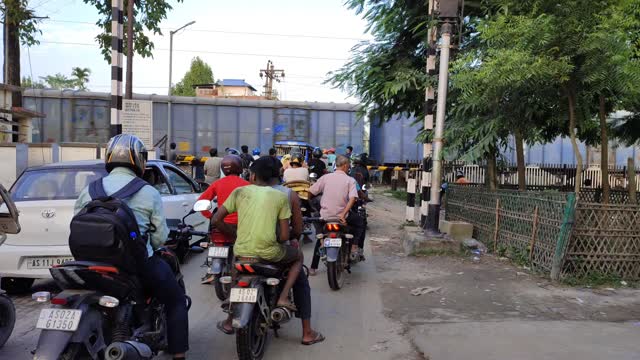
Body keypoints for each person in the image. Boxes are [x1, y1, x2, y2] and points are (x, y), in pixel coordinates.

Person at [74, 134, 188, 359]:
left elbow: (77, 220)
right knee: (175, 301)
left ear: (108, 157)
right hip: (135, 265)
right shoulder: (148, 192)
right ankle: (178, 355)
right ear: (139, 160)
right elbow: (159, 237)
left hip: (89, 264)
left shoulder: (90, 190)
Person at [213, 157, 325, 345]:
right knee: (299, 267)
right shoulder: (287, 195)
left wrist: (236, 234)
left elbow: (216, 220)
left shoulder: (240, 192)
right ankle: (305, 330)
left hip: (243, 251)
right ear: (279, 174)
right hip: (271, 251)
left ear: (253, 175)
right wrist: (290, 238)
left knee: (236, 269)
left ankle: (229, 319)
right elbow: (292, 232)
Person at [308, 155, 365, 276]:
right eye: (348, 165)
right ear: (345, 166)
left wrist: (314, 207)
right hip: (342, 216)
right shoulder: (350, 180)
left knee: (320, 231)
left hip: (325, 216)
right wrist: (343, 215)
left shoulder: (325, 177)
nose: (349, 167)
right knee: (360, 222)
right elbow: (353, 198)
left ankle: (313, 266)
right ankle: (354, 246)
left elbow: (311, 192)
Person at [198, 155, 249, 283]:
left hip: (221, 226)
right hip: (242, 227)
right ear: (240, 168)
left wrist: (211, 216)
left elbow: (201, 202)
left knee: (214, 243)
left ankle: (211, 271)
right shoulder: (247, 185)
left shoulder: (217, 183)